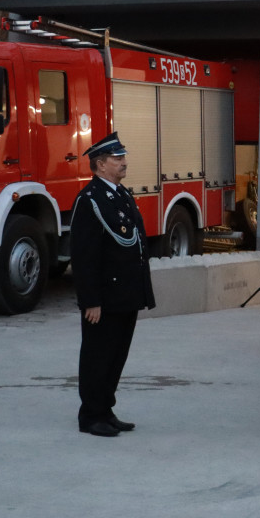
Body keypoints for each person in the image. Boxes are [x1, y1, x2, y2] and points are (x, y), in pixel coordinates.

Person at [70, 132, 155, 437]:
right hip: (104, 297)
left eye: (122, 158)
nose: (123, 163)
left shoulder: (120, 194)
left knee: (117, 355)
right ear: (100, 164)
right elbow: (84, 256)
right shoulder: (89, 200)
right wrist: (90, 299)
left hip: (125, 294)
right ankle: (91, 416)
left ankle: (105, 409)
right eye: (117, 159)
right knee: (97, 355)